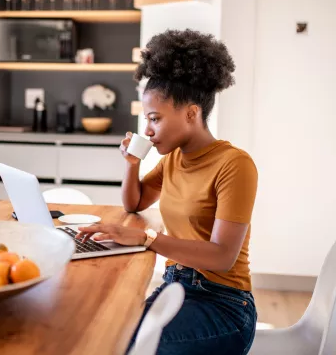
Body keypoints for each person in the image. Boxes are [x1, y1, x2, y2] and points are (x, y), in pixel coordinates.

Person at [76, 29, 258, 355]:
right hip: (176, 286)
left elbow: (222, 255)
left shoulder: (235, 165)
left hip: (223, 304)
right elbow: (135, 202)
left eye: (155, 119)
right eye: (147, 119)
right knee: (104, 324)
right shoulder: (174, 158)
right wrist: (132, 163)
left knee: (117, 340)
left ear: (191, 113)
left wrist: (147, 239)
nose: (147, 130)